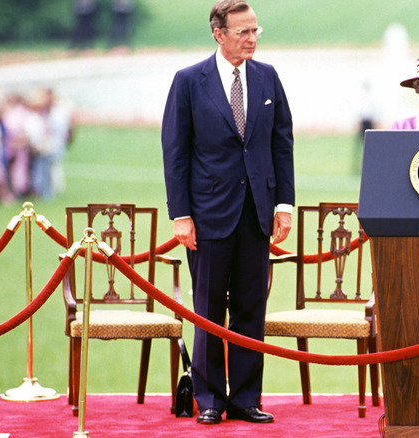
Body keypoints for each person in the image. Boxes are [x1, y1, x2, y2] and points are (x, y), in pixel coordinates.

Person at [161, 0, 294, 426]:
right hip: (207, 216)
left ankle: (246, 399)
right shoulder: (188, 82)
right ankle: (211, 399)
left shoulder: (268, 77)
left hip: (257, 214)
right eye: (243, 32)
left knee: (251, 310)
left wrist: (284, 206)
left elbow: (281, 145)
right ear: (218, 33)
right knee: (209, 308)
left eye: (256, 31)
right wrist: (181, 215)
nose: (252, 39)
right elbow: (176, 153)